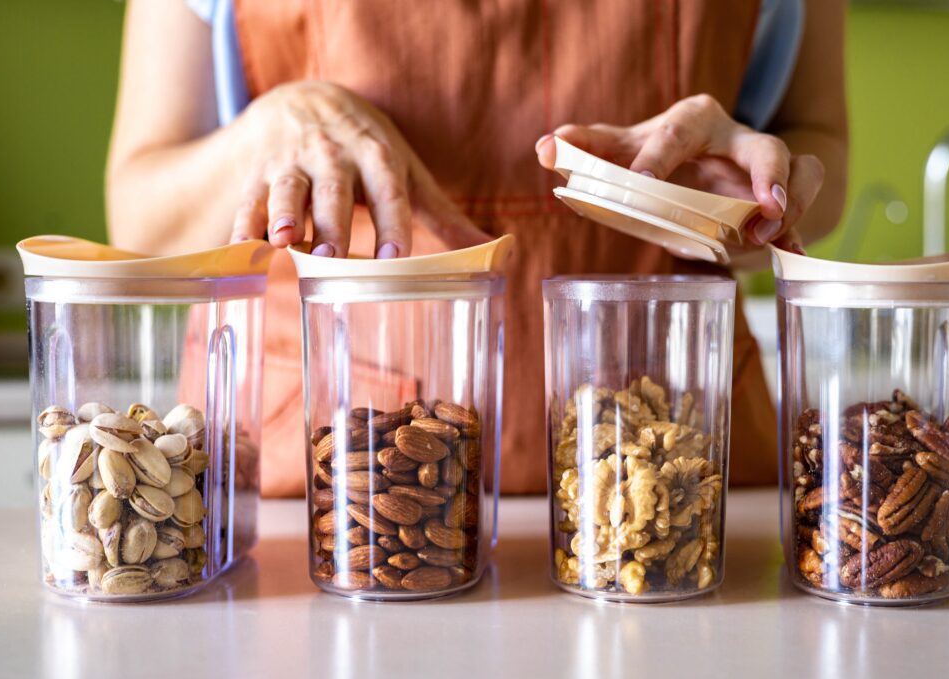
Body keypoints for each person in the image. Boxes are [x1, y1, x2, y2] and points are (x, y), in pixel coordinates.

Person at [106, 0, 847, 496]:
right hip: (314, 495)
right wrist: (268, 133)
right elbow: (137, 213)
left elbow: (823, 152)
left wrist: (745, 204)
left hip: (673, 492)